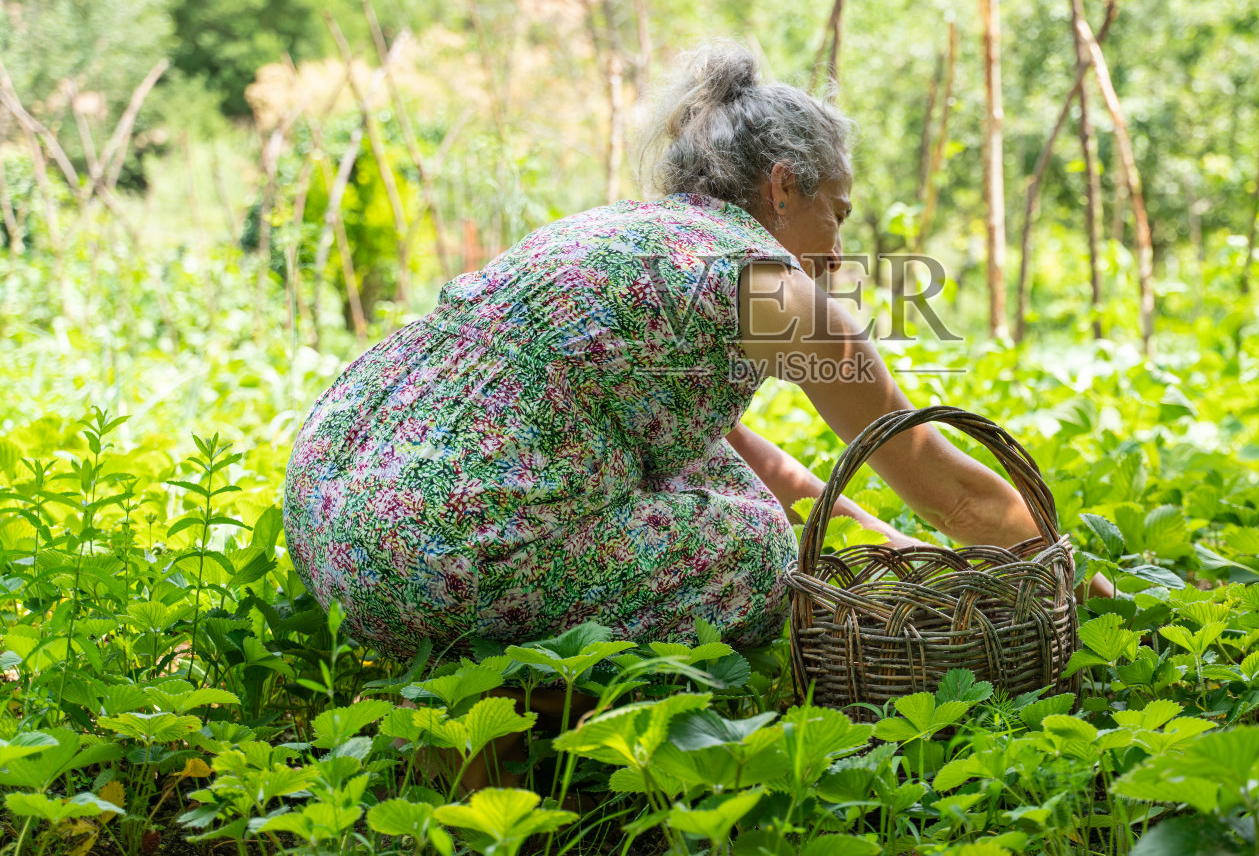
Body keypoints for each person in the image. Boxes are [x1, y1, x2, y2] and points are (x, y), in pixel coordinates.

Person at [281, 40, 1113, 672]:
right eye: (839, 212)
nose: (837, 248)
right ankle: (537, 700)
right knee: (758, 550)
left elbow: (745, 459)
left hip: (335, 518)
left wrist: (881, 542)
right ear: (783, 187)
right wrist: (1065, 577)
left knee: (715, 482)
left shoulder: (622, 229)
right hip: (430, 556)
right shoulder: (771, 290)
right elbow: (945, 483)